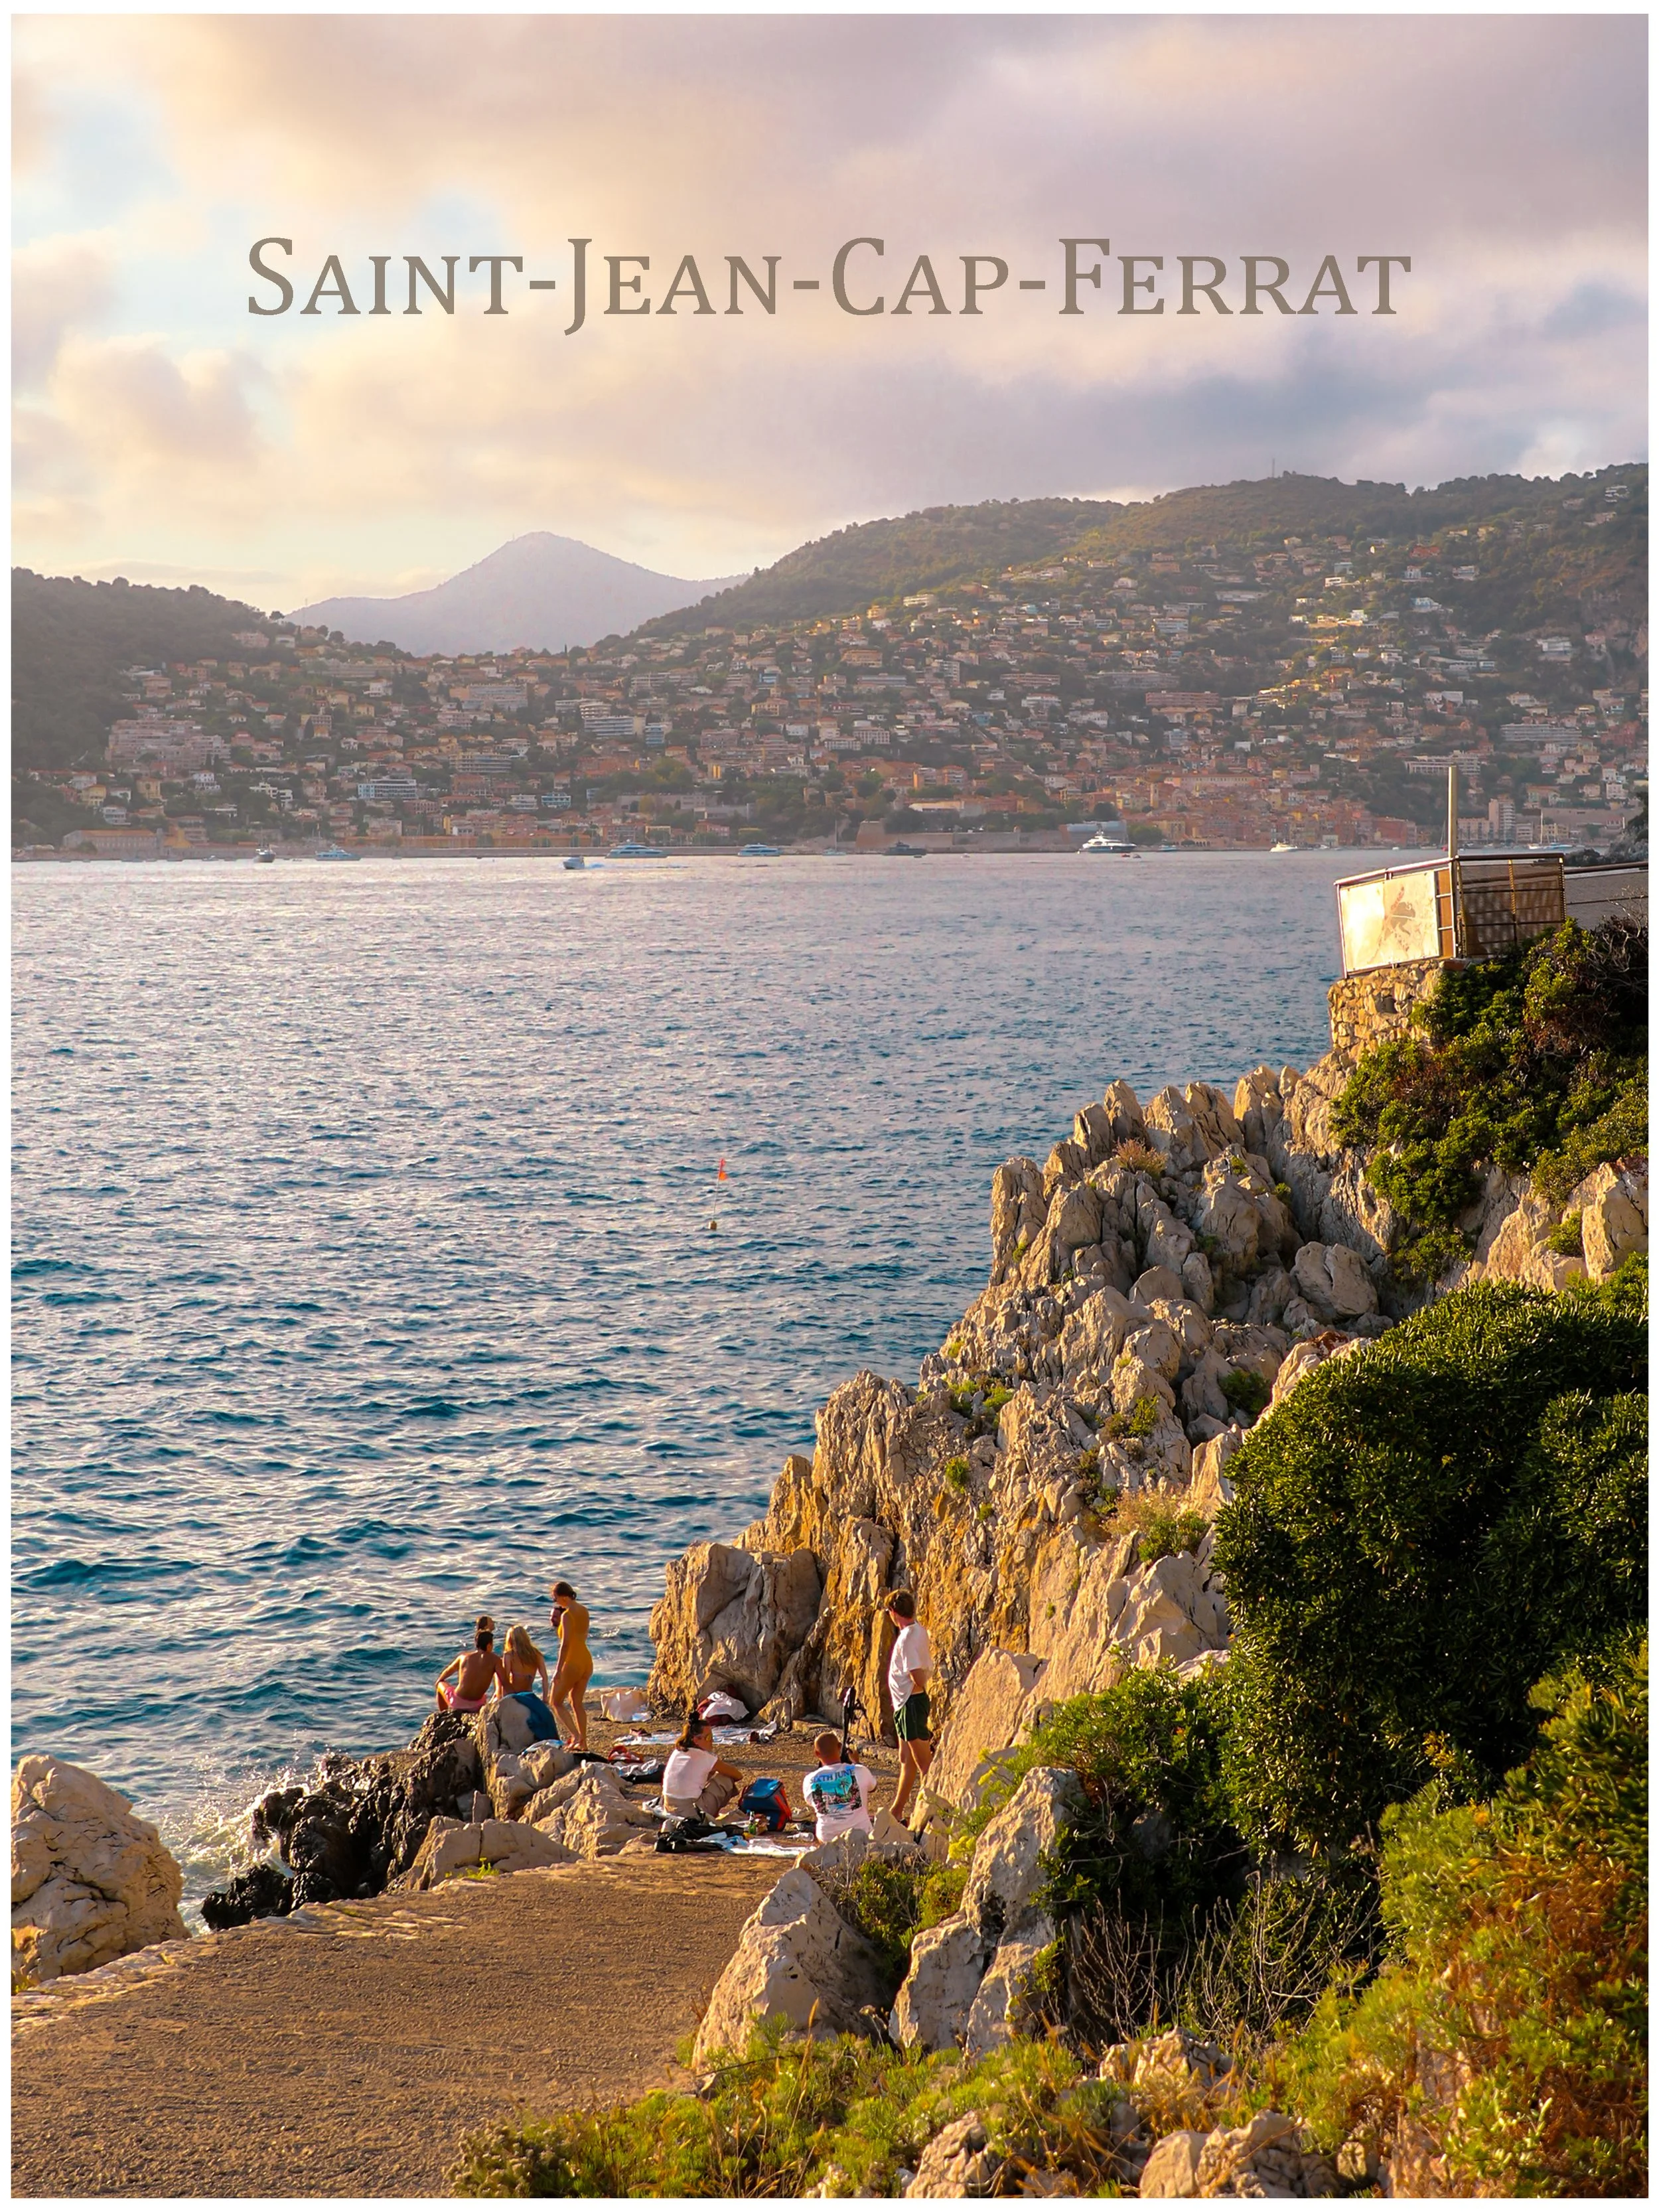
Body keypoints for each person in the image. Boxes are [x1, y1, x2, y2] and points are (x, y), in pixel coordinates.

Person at [886, 1590, 934, 1824]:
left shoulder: (907, 1638)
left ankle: (935, 1809)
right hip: (904, 1705)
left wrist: (915, 1685)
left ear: (894, 1613)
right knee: (906, 1759)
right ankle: (897, 1810)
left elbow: (918, 1677)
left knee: (925, 1764)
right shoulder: (917, 1632)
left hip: (911, 1705)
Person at [661, 1712, 743, 1820]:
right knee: (725, 1779)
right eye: (708, 1737)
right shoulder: (705, 1757)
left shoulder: (678, 1751)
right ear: (696, 1740)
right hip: (691, 1812)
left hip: (668, 1807)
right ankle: (711, 1816)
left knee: (708, 1776)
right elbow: (738, 1775)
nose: (712, 1741)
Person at [802, 1730, 878, 1844]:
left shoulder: (809, 1780)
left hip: (827, 1837)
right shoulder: (860, 1771)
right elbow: (873, 1787)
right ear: (840, 1747)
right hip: (861, 1834)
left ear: (817, 1754)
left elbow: (814, 1803)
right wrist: (857, 1763)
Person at [547, 1580, 594, 1751]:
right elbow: (582, 1635)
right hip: (586, 1660)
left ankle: (576, 1736)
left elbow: (565, 1644)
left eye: (556, 1598)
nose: (556, 1602)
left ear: (564, 1597)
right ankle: (583, 1743)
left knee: (555, 1702)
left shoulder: (567, 1615)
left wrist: (558, 1671)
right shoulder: (584, 1610)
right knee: (576, 1702)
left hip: (573, 1661)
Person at [498, 1623, 561, 1741]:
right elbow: (545, 1678)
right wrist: (545, 1698)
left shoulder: (509, 1655)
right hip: (529, 1695)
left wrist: (502, 1700)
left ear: (510, 1640)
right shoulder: (536, 1654)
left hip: (513, 1695)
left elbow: (505, 1680)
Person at [435, 1615, 508, 1712]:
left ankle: (443, 1713)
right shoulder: (495, 1659)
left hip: (457, 1703)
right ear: (490, 1645)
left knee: (441, 1684)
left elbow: (449, 1670)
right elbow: (504, 1682)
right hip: (478, 1705)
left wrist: (439, 1680)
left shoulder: (463, 1657)